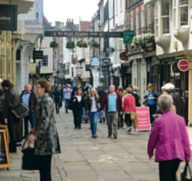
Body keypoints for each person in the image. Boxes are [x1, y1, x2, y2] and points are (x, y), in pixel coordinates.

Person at [148, 94, 191, 181]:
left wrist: (150, 151)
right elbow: (185, 138)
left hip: (164, 153)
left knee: (165, 177)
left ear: (160, 106)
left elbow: (152, 138)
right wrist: (187, 154)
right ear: (171, 105)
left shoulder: (158, 121)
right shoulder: (180, 119)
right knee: (172, 174)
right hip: (177, 153)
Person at [28, 79, 61, 181]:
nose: (35, 89)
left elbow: (45, 120)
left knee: (45, 169)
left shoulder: (46, 100)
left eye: (37, 87)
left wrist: (36, 135)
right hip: (43, 138)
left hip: (46, 139)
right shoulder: (42, 99)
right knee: (43, 168)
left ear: (43, 89)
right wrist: (34, 129)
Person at [2, 80, 21, 152]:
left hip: (10, 114)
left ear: (5, 86)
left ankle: (11, 148)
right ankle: (14, 148)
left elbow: (7, 105)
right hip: (16, 113)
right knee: (15, 131)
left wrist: (5, 116)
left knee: (10, 131)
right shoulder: (16, 90)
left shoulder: (9, 92)